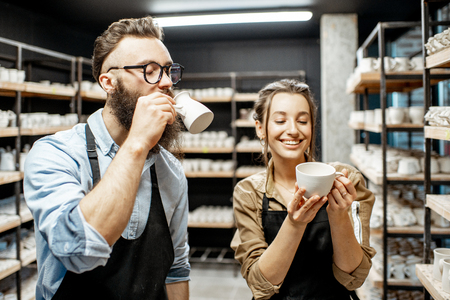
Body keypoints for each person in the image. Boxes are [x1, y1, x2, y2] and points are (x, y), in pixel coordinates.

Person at [23, 16, 190, 300]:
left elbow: (176, 268)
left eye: (168, 71)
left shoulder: (170, 169)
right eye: (150, 71)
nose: (165, 83)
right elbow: (79, 252)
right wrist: (137, 142)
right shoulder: (56, 154)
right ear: (108, 82)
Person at [231, 79, 376, 300]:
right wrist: (294, 223)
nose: (293, 130)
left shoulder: (347, 180)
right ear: (260, 128)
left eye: (302, 120)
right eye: (280, 120)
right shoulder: (249, 192)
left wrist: (338, 216)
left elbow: (354, 278)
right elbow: (261, 285)